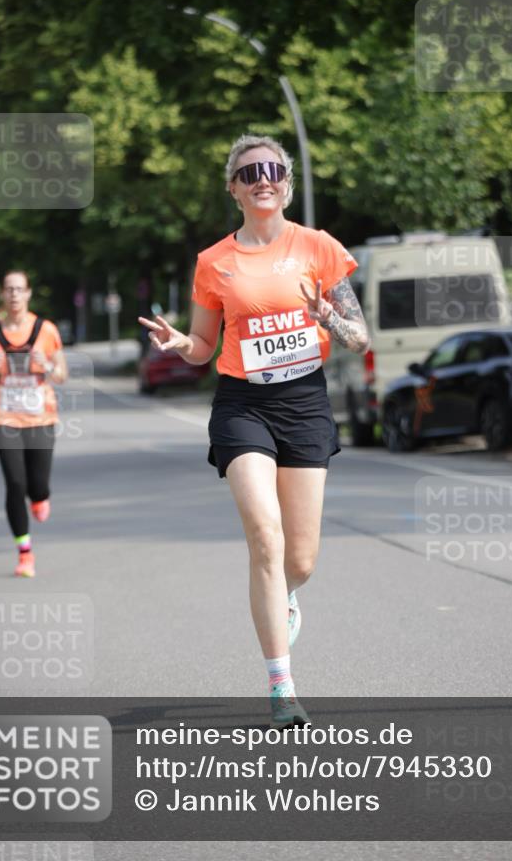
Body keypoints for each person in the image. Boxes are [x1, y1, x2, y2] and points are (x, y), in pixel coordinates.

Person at [139, 135, 369, 726]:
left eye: (272, 169)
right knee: (265, 538)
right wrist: (176, 343)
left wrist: (329, 317)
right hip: (243, 405)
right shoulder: (214, 262)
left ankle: (284, 594)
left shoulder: (319, 247)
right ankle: (281, 686)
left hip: (305, 403)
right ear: (234, 189)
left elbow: (360, 337)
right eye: (249, 172)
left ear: (286, 183)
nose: (261, 179)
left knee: (303, 556)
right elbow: (202, 346)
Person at [0, 272, 68, 578]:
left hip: (41, 417)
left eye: (19, 289)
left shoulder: (46, 330)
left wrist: (48, 365)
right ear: (2, 295)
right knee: (15, 484)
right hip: (5, 418)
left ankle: (40, 499)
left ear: (28, 294)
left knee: (37, 486)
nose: (14, 294)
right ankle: (25, 553)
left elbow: (61, 376)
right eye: (9, 289)